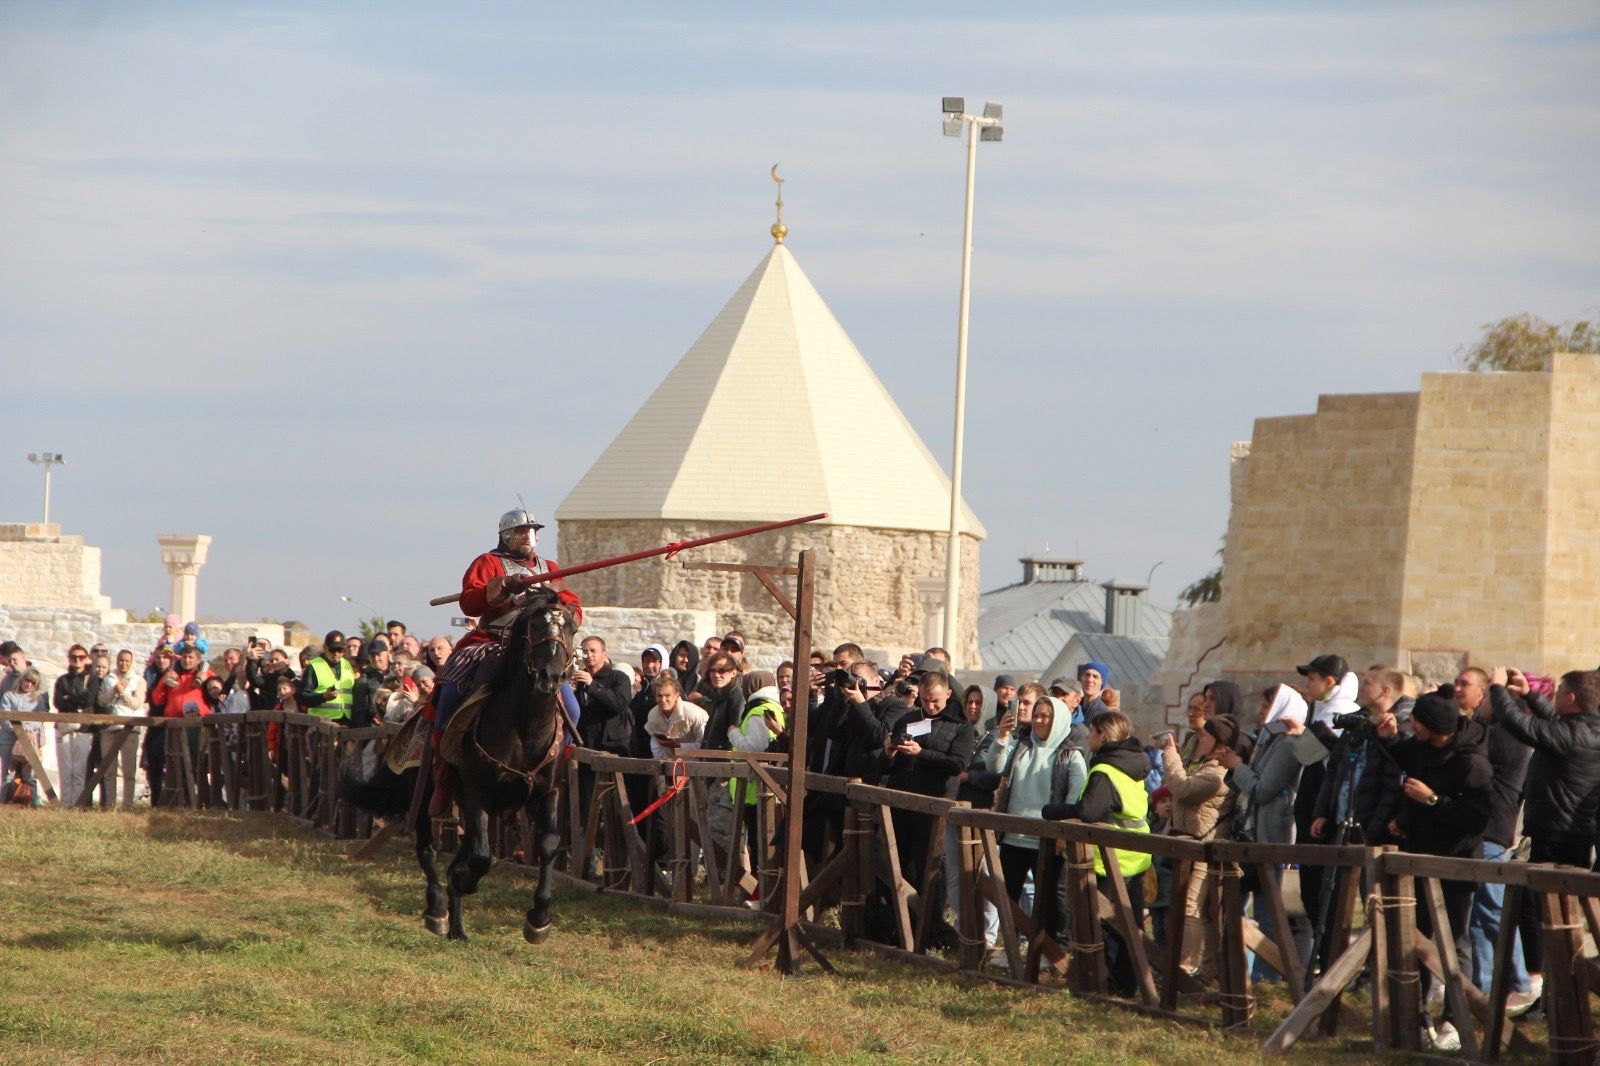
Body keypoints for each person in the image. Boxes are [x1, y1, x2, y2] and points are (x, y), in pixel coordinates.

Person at [1376, 692, 1493, 1051]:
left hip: (1455, 864)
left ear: (1434, 727)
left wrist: (1432, 801)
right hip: (1417, 859)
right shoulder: (1421, 748)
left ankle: (1456, 1020)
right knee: (1416, 940)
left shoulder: (1472, 763)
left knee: (1454, 942)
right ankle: (1417, 1018)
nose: (1412, 727)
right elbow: (1403, 758)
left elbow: (1476, 818)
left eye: (1416, 723)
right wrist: (1388, 739)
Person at [1489, 667, 1600, 1017]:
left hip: (1559, 836)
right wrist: (1529, 696)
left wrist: (1498, 691)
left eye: (1558, 692)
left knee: (1554, 920)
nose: (1554, 697)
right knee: (1554, 918)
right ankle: (1555, 997)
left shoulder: (1575, 734)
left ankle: (1560, 1000)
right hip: (1567, 833)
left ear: (1570, 697)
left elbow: (1524, 727)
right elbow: (1555, 725)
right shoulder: (1587, 727)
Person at [435, 507, 582, 735]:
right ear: (506, 535)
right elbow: (469, 603)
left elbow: (571, 604)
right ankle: (440, 743)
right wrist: (501, 586)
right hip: (492, 641)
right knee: (450, 690)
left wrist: (566, 617)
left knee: (572, 710)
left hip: (535, 644)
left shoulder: (549, 568)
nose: (527, 538)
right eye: (521, 532)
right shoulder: (488, 562)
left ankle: (565, 758)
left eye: (531, 533)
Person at [1041, 711, 1153, 997]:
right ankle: (1128, 983)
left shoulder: (1106, 770)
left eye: (1091, 732)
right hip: (1135, 853)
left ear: (1102, 736)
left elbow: (1090, 811)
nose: (1088, 736)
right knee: (1129, 923)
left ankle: (1113, 985)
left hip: (1112, 858)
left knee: (1110, 925)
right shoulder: (1132, 763)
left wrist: (1054, 812)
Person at [1454, 667, 1533, 1008]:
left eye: (1483, 695)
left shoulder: (1503, 735)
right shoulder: (1495, 732)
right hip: (1485, 830)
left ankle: (1520, 980)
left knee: (1492, 909)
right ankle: (1483, 985)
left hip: (1491, 830)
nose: (1479, 703)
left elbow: (1463, 747)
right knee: (1478, 912)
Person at [1219, 684, 1308, 981]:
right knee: (1242, 906)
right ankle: (1241, 970)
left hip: (1271, 834)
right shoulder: (1269, 740)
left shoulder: (1289, 744)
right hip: (1251, 832)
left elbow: (1263, 788)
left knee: (1269, 913)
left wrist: (1238, 767)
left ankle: (1266, 976)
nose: (1260, 712)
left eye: (1266, 706)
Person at [1159, 713, 1241, 976]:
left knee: (1192, 907)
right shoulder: (1205, 766)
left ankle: (1186, 969)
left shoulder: (1217, 773)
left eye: (1205, 736)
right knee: (1201, 912)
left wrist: (1171, 756)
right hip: (1193, 847)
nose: (1200, 739)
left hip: (1207, 848)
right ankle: (1209, 969)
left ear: (1219, 744)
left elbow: (1183, 790)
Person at [986, 695, 1087, 906]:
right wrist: (1003, 736)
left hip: (1048, 841)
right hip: (1013, 838)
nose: (1039, 721)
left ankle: (1041, 941)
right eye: (1036, 716)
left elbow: (1074, 798)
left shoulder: (1071, 756)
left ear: (1058, 719)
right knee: (1007, 901)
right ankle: (1011, 939)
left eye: (1045, 716)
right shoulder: (1021, 747)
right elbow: (994, 768)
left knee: (1047, 905)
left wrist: (1063, 832)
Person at [882, 668, 976, 887]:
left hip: (935, 805)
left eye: (935, 701)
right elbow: (887, 767)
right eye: (924, 700)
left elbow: (957, 765)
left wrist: (921, 753)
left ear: (948, 695)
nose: (930, 706)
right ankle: (901, 918)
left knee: (930, 872)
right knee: (898, 869)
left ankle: (930, 919)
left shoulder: (961, 726)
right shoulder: (909, 718)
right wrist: (889, 753)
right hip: (902, 803)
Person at [99, 648, 148, 807]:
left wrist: (124, 691)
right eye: (121, 660)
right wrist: (114, 690)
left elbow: (136, 704)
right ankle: (110, 804)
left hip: (129, 728)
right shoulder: (109, 679)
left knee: (128, 771)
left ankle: (128, 805)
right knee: (109, 770)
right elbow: (102, 701)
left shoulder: (138, 680)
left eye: (127, 660)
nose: (123, 663)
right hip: (109, 728)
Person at [53, 643, 98, 806]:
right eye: (74, 657)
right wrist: (75, 699)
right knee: (65, 769)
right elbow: (58, 702)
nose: (77, 660)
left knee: (79, 770)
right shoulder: (62, 679)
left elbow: (88, 700)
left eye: (81, 657)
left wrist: (69, 697)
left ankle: (77, 804)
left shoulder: (91, 679)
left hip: (83, 728)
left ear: (86, 659)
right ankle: (66, 803)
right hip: (64, 726)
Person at [0, 667, 48, 792]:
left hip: (29, 740)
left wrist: (26, 729)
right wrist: (17, 729)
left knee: (31, 775)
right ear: (22, 680)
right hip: (8, 739)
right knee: (7, 774)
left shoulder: (38, 699)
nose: (29, 684)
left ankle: (32, 803)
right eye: (27, 680)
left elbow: (40, 719)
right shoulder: (9, 696)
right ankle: (4, 802)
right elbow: (4, 718)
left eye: (33, 683)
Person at [300, 631, 356, 724]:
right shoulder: (314, 666)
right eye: (332, 649)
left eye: (340, 650)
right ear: (325, 648)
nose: (336, 653)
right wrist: (323, 697)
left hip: (345, 720)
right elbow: (303, 697)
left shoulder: (347, 665)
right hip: (320, 724)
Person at [646, 675, 707, 758]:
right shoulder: (653, 715)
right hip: (669, 765)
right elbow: (656, 746)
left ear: (677, 696)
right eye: (659, 696)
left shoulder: (694, 714)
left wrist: (679, 746)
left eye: (667, 695)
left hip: (696, 764)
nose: (663, 700)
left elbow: (704, 745)